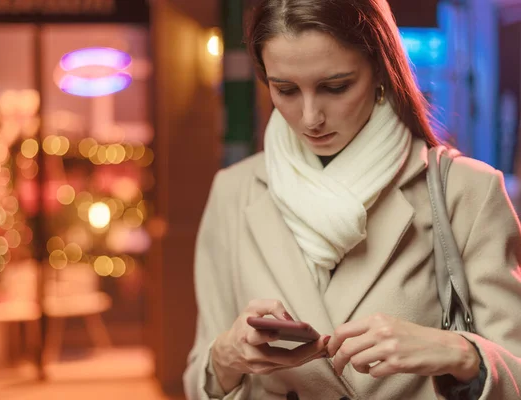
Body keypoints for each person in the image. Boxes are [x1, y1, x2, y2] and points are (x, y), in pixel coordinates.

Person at [183, 0, 521, 399]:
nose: (310, 117)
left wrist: (460, 354)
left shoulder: (465, 190)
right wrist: (225, 356)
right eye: (285, 89)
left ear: (380, 68)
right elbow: (197, 380)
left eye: (336, 86)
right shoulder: (233, 191)